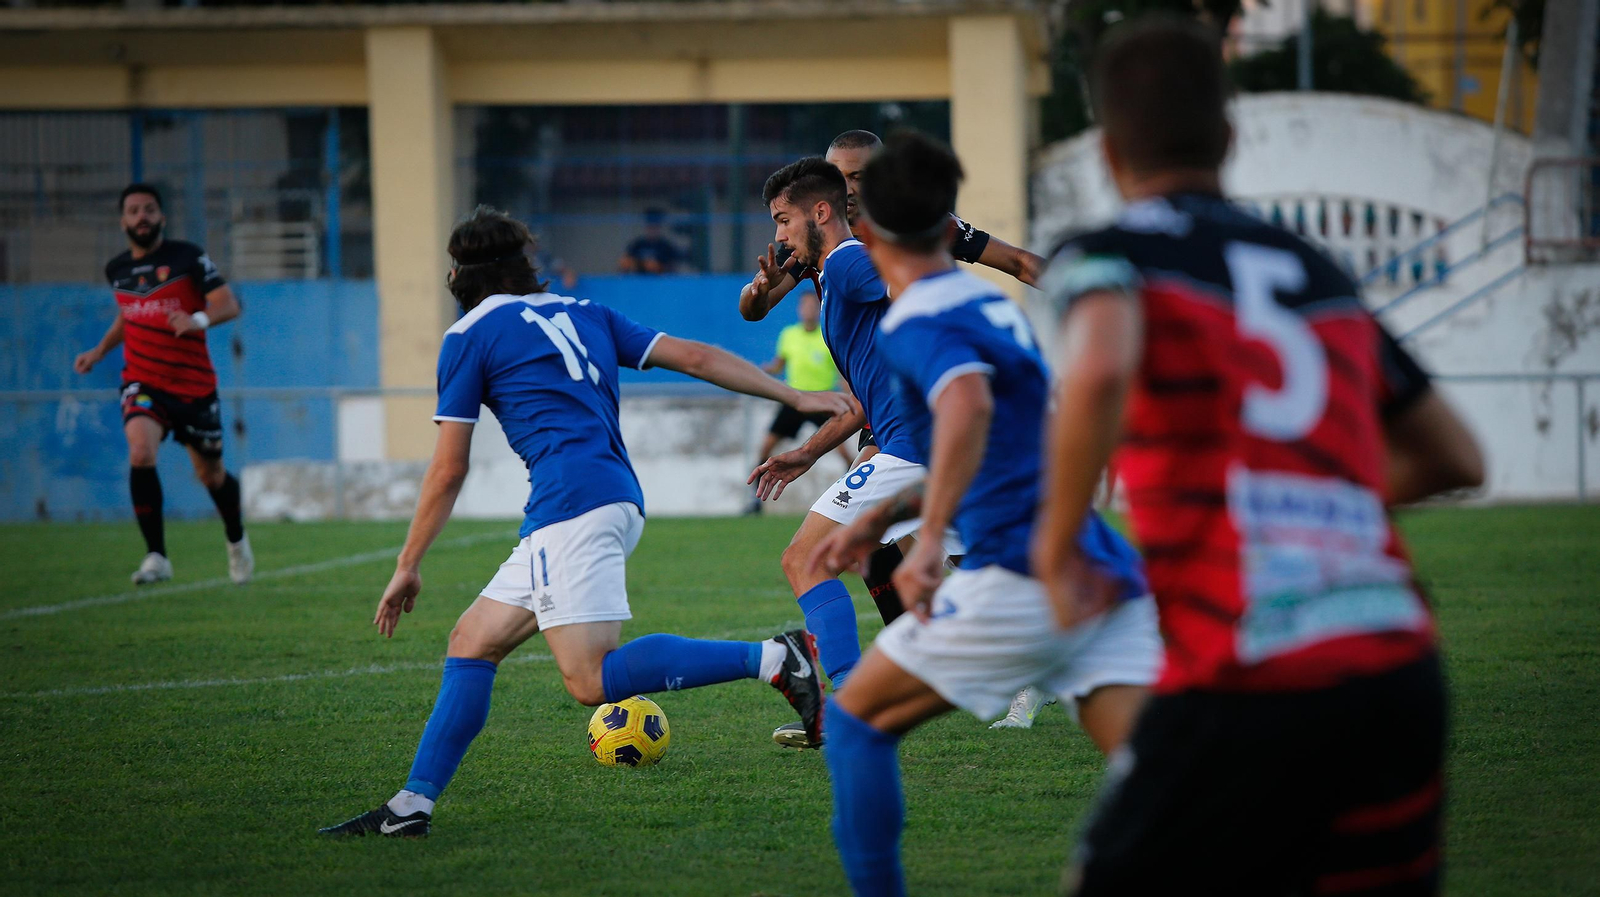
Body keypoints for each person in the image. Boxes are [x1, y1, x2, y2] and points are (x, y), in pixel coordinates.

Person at [1032, 18, 1485, 895]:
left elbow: (1097, 367)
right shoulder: (1316, 267)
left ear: (1110, 154)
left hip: (1247, 668)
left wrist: (1055, 550)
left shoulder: (1112, 253)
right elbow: (1457, 455)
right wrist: (1315, 500)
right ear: (1230, 139)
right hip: (1396, 665)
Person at [319, 207, 843, 839]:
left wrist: (407, 565)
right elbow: (697, 357)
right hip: (605, 498)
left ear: (458, 273)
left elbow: (448, 468)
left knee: (591, 678)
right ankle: (410, 808)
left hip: (571, 507)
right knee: (472, 641)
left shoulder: (468, 335)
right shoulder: (585, 312)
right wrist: (793, 395)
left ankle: (773, 658)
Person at [805, 130, 1159, 897]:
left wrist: (928, 540)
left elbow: (965, 406)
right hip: (1100, 566)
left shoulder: (914, 319)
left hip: (1019, 576)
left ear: (871, 233)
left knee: (859, 723)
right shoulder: (986, 303)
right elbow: (1004, 434)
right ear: (944, 227)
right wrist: (885, 516)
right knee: (1162, 782)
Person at [741, 130, 1057, 733]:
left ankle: (851, 709)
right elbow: (860, 382)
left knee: (807, 560)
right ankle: (1021, 663)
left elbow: (930, 287)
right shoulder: (831, 265)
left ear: (822, 209)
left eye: (783, 222)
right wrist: (809, 450)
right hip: (929, 439)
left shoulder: (858, 260)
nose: (778, 237)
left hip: (917, 443)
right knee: (952, 574)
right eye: (842, 177)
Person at [74, 183, 253, 586]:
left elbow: (228, 303)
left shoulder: (187, 257)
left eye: (149, 210)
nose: (142, 217)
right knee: (140, 451)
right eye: (134, 210)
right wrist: (100, 350)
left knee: (212, 476)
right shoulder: (117, 269)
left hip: (193, 385)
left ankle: (236, 540)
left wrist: (197, 320)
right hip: (143, 380)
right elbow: (129, 313)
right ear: (123, 221)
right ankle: (157, 556)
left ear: (162, 217)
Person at [746, 289, 857, 514]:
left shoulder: (827, 334)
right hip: (795, 400)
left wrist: (853, 396)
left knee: (844, 453)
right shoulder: (789, 335)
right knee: (766, 447)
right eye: (804, 306)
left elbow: (840, 372)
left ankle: (854, 498)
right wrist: (768, 370)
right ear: (799, 309)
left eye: (812, 306)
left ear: (819, 309)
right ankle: (755, 501)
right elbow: (780, 364)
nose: (808, 310)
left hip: (823, 401)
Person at [617, 208, 685, 274]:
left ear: (659, 227)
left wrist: (658, 267)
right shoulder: (637, 244)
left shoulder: (666, 246)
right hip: (639, 280)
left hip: (659, 281)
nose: (652, 230)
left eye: (655, 227)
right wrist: (641, 265)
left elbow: (673, 268)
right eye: (650, 227)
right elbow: (625, 263)